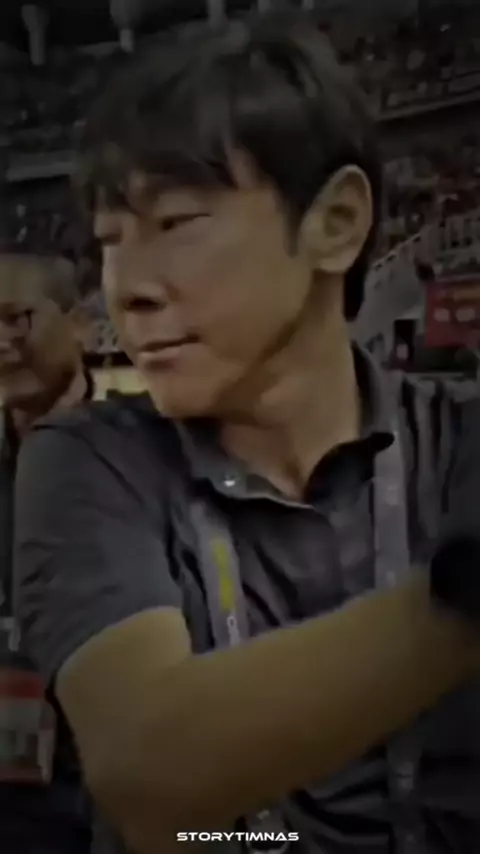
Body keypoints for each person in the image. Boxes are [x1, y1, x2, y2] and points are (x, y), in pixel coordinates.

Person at [12, 14, 480, 854]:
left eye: (176, 222)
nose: (126, 289)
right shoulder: (87, 460)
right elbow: (151, 776)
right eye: (110, 242)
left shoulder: (462, 442)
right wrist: (465, 595)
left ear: (336, 223)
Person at [0, 253, 93, 853]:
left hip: (110, 791)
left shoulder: (145, 456)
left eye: (17, 319)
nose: (1, 343)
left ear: (79, 324)